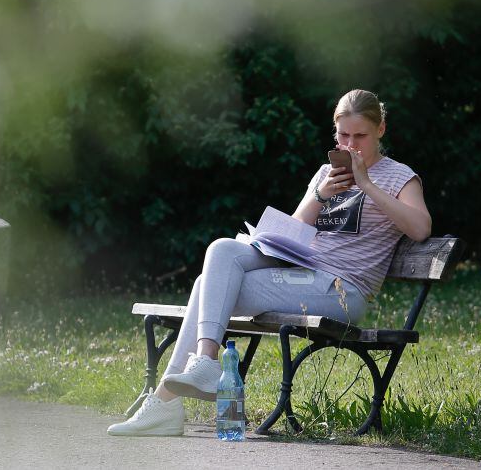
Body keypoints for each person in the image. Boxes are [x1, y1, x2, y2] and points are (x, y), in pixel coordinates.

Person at [107, 89, 431, 436]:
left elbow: (420, 227)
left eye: (360, 136)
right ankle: (199, 368)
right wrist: (321, 196)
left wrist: (366, 185)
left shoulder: (399, 176)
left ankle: (165, 404)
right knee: (221, 250)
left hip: (341, 290)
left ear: (381, 129)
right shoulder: (326, 173)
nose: (350, 146)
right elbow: (294, 232)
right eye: (343, 136)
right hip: (301, 273)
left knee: (208, 288)